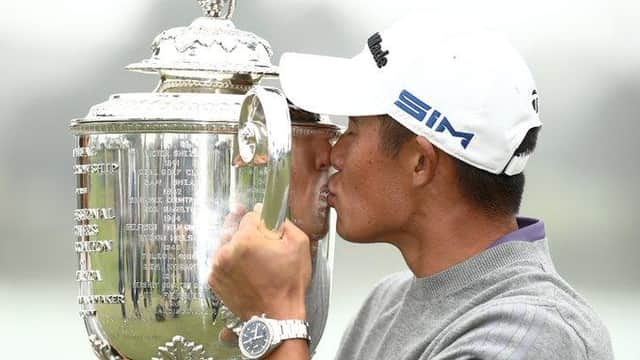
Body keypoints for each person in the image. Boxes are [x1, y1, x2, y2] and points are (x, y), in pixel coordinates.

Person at [208, 14, 614, 360]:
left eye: (353, 129)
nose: (333, 156)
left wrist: (278, 316)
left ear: (419, 163)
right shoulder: (384, 305)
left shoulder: (533, 335)